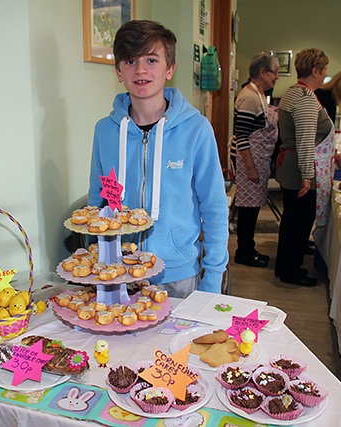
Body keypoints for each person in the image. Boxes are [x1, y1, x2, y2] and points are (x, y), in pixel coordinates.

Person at [87, 20, 229, 297]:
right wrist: (96, 261)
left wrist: (213, 276)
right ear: (118, 71)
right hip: (119, 273)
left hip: (177, 275)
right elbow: (98, 201)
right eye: (130, 61)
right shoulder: (105, 131)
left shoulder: (196, 129)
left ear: (170, 69)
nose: (140, 70)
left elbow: (214, 208)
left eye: (152, 60)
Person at [274, 48, 334, 287]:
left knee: (291, 220)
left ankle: (285, 266)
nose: (325, 75)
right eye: (325, 70)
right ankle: (291, 270)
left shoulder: (293, 92)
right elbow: (306, 140)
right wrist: (308, 177)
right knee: (298, 222)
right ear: (315, 70)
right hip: (300, 167)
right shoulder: (306, 99)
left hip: (290, 163)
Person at [232, 52, 280, 268]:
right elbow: (242, 135)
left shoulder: (258, 93)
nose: (276, 77)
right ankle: (244, 252)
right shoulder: (249, 97)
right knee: (247, 210)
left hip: (257, 159)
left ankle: (249, 248)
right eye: (274, 72)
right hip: (248, 160)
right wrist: (250, 167)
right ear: (263, 72)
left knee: (252, 209)